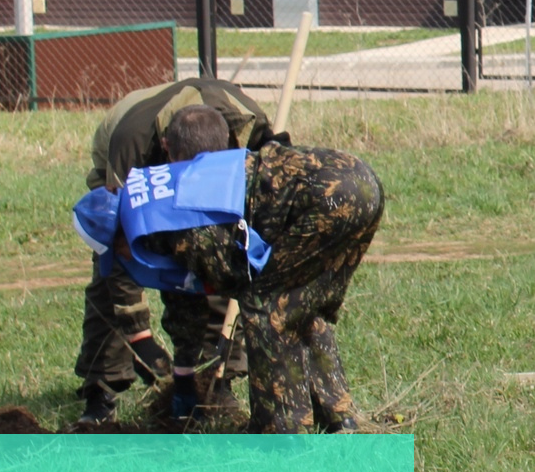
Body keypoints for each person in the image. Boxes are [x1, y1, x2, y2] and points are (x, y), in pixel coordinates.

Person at [143, 106, 385, 433]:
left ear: (169, 149)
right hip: (362, 179)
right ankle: (339, 419)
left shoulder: (190, 192)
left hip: (330, 200)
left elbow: (227, 277)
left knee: (265, 305)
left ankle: (279, 429)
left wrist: (185, 370)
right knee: (301, 307)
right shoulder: (233, 162)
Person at [75, 77, 274, 427]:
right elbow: (118, 247)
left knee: (217, 256)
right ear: (167, 149)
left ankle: (216, 380)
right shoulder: (133, 144)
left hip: (215, 158)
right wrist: (140, 335)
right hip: (124, 156)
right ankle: (101, 389)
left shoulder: (252, 131)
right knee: (108, 271)